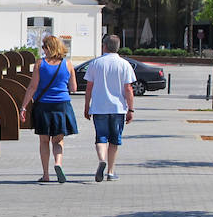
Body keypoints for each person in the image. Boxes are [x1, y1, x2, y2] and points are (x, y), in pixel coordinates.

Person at [21, 35, 78, 183]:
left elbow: (33, 87)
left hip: (43, 105)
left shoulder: (40, 64)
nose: (43, 50)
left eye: (44, 47)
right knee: (58, 141)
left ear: (48, 48)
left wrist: (23, 107)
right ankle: (58, 163)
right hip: (62, 105)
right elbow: (73, 88)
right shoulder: (68, 64)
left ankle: (46, 174)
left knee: (44, 141)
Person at [83, 34, 135, 182]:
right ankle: (111, 172)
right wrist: (131, 109)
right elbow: (128, 89)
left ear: (104, 46)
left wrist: (87, 106)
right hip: (118, 108)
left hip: (99, 107)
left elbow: (88, 88)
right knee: (114, 141)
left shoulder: (95, 64)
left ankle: (101, 160)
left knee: (100, 138)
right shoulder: (124, 64)